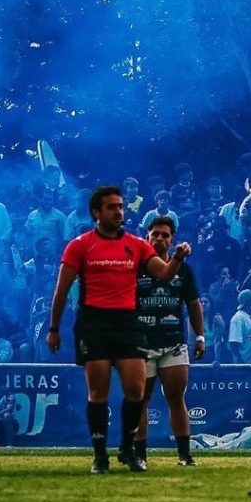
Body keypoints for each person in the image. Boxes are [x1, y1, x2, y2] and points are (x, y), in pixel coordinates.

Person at [46, 185, 191, 474]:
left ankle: (127, 448)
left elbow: (162, 274)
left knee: (136, 390)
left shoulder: (137, 245)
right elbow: (61, 290)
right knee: (98, 392)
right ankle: (100, 456)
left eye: (121, 206)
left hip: (128, 323)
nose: (119, 212)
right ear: (96, 213)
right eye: (112, 207)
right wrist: (54, 328)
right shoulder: (79, 245)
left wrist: (177, 257)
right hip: (94, 323)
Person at [133, 217, 205, 468]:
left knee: (176, 397)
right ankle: (140, 455)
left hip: (174, 342)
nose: (160, 239)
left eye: (165, 235)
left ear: (172, 238)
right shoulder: (136, 266)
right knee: (141, 400)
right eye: (155, 234)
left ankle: (185, 455)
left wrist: (200, 335)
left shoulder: (183, 269)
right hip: (141, 344)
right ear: (147, 237)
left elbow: (194, 304)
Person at [228, 290, 251, 364]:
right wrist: (240, 361)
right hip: (246, 361)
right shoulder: (238, 318)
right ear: (250, 301)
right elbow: (234, 343)